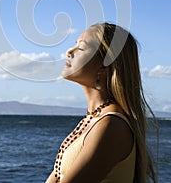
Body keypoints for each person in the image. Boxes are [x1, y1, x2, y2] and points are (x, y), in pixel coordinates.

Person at [45, 22, 157, 183]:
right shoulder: (94, 120)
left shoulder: (111, 125)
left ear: (104, 67)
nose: (70, 51)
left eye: (81, 48)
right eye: (74, 44)